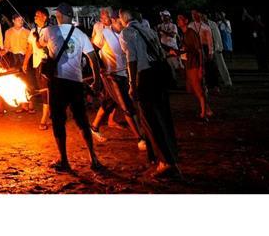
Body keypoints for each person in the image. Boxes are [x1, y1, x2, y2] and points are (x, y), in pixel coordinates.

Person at [36, 3, 104, 174]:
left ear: (59, 14)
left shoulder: (49, 31)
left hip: (58, 83)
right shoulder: (80, 34)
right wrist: (96, 80)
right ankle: (93, 157)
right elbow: (93, 58)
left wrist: (37, 36)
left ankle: (64, 160)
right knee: (82, 121)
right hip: (76, 82)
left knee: (58, 122)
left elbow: (38, 45)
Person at [119, 9, 181, 177]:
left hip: (145, 76)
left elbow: (131, 58)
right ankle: (168, 156)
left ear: (123, 18)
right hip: (159, 73)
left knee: (150, 119)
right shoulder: (148, 29)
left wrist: (132, 83)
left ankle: (165, 162)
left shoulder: (127, 32)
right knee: (163, 116)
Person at [90, 12, 147, 150]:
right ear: (113, 20)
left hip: (123, 74)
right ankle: (140, 139)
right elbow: (91, 51)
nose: (123, 24)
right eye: (120, 22)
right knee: (127, 106)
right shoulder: (104, 33)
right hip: (112, 76)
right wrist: (101, 68)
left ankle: (94, 127)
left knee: (109, 103)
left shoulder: (124, 34)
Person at [22, 8, 52, 130]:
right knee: (43, 90)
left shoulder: (50, 30)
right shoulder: (33, 31)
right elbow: (30, 48)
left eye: (38, 15)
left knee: (46, 91)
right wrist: (25, 62)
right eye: (35, 15)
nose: (35, 17)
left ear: (45, 17)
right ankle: (50, 114)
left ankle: (44, 119)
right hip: (36, 65)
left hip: (47, 64)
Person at [177, 13, 212, 119]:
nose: (178, 21)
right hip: (188, 63)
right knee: (191, 88)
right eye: (177, 19)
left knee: (198, 89)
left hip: (194, 64)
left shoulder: (191, 33)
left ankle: (204, 113)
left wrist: (201, 67)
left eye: (180, 19)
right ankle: (207, 109)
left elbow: (199, 50)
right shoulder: (184, 34)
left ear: (186, 21)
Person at [207, 14, 232, 87]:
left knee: (221, 64)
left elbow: (217, 36)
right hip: (208, 48)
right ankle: (212, 82)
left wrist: (219, 47)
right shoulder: (200, 24)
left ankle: (227, 81)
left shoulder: (212, 24)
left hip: (216, 47)